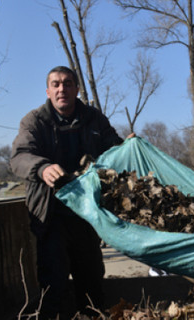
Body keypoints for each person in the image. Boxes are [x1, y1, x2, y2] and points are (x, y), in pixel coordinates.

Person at [11, 66, 126, 318]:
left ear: (76, 89)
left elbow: (114, 148)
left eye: (67, 83)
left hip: (87, 215)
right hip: (50, 216)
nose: (61, 88)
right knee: (53, 285)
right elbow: (20, 156)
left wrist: (129, 146)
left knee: (92, 282)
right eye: (56, 84)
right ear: (48, 90)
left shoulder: (94, 119)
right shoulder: (34, 121)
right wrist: (41, 168)